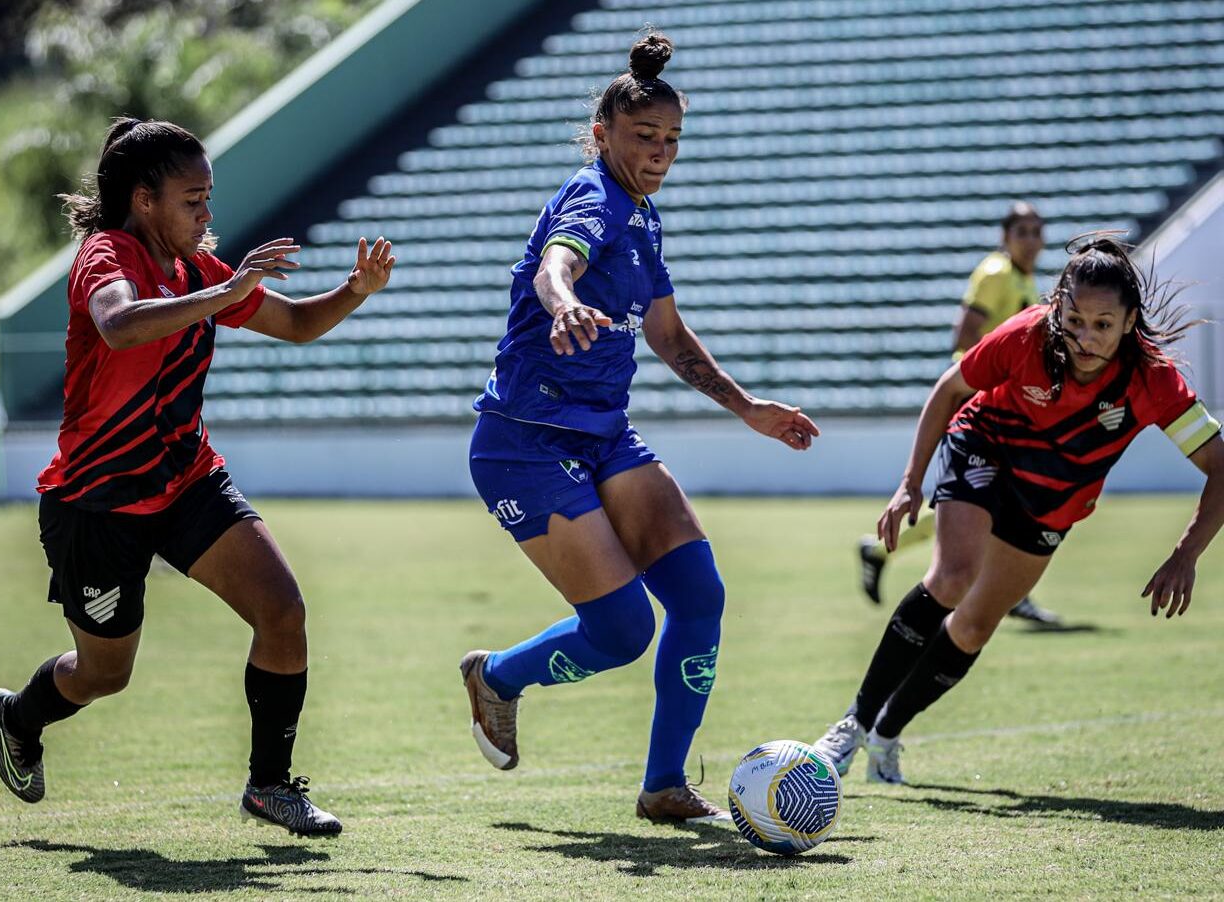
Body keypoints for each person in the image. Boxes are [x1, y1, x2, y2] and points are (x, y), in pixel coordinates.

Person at [0, 118, 395, 836]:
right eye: (193, 200)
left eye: (208, 199)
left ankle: (270, 787)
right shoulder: (105, 255)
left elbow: (296, 324)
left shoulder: (198, 270)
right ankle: (19, 715)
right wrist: (225, 289)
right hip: (98, 502)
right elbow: (120, 325)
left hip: (186, 480)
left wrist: (354, 289)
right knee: (104, 673)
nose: (207, 216)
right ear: (145, 200)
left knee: (283, 611)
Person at [459, 33, 820, 822]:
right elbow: (557, 264)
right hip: (525, 441)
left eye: (670, 140)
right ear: (602, 136)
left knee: (698, 596)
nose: (659, 154)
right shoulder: (594, 198)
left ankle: (664, 788)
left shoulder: (646, 219)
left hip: (602, 436)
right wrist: (564, 304)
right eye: (643, 138)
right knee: (623, 630)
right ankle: (499, 677)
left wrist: (748, 408)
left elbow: (669, 338)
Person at [815, 234, 1222, 785]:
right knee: (954, 576)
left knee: (976, 625)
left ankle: (886, 732)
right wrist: (910, 482)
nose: (1085, 336)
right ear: (1058, 307)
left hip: (1055, 497)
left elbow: (1219, 467)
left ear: (1129, 323)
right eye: (1075, 319)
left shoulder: (1153, 379)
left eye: (1103, 325)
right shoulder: (1026, 335)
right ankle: (852, 725)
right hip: (984, 443)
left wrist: (1186, 553)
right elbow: (948, 389)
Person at [857, 203, 1063, 626]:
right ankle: (1012, 591)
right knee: (987, 497)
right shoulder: (996, 274)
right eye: (1022, 231)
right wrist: (980, 393)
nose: (1031, 239)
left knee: (990, 497)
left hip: (1003, 404)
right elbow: (966, 335)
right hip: (980, 401)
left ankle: (878, 550)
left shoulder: (1023, 279)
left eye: (1037, 231)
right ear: (1004, 236)